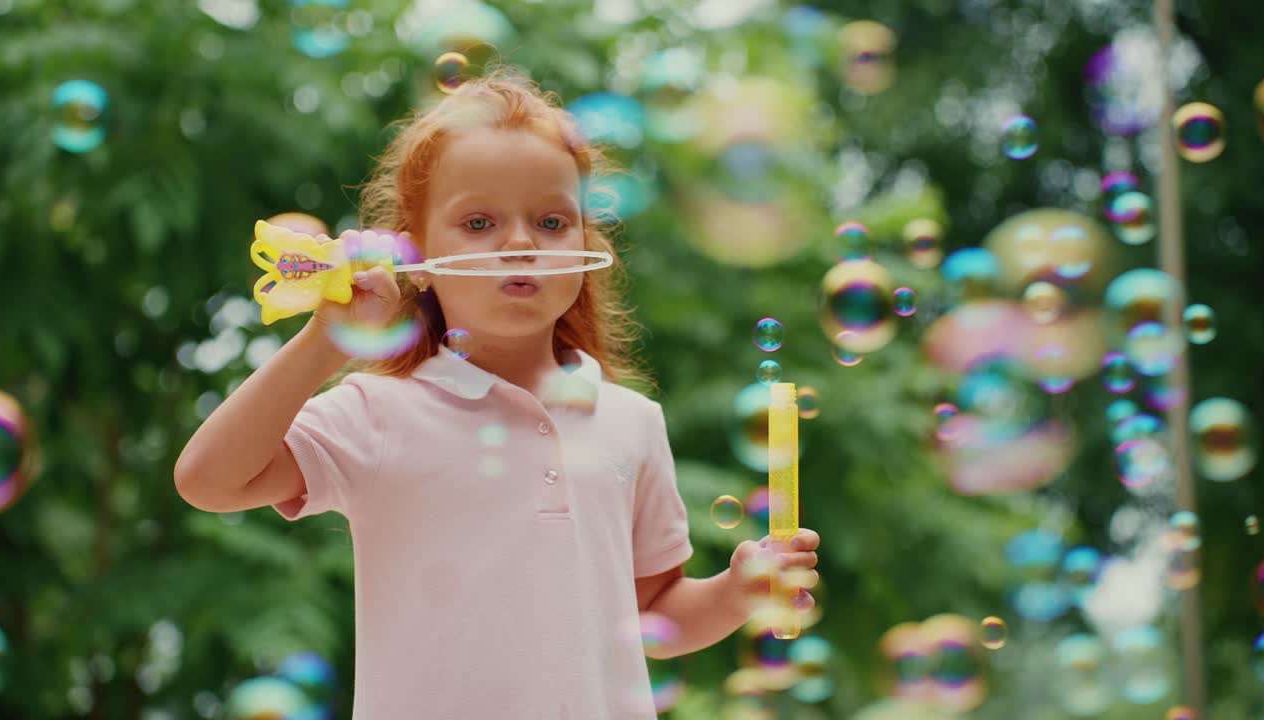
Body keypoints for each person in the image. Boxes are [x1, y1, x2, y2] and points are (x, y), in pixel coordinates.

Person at [174, 66, 819, 719]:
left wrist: (738, 593)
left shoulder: (631, 421)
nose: (519, 244)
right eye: (479, 222)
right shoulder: (378, 412)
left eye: (551, 221)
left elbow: (653, 612)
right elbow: (210, 481)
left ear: (586, 247)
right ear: (416, 257)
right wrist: (325, 342)